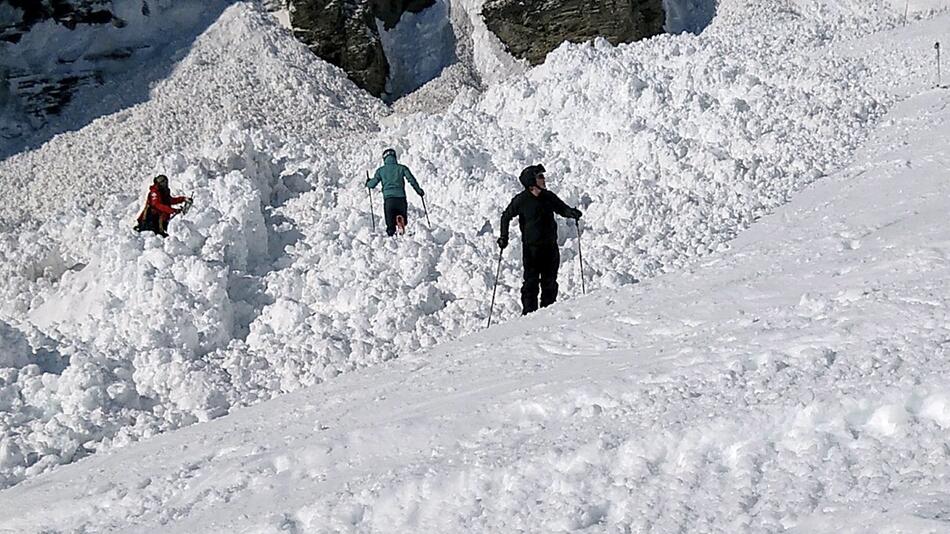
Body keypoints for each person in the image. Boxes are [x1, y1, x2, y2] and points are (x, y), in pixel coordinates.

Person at [497, 164, 582, 315]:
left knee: (550, 282)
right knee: (531, 284)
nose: (544, 179)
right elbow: (506, 217)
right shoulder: (521, 200)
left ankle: (547, 313)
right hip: (531, 250)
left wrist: (572, 213)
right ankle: (529, 315)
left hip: (550, 247)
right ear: (531, 181)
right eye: (540, 176)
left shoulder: (548, 197)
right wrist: (504, 237)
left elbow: (562, 209)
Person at [366, 148, 425, 236]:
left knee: (390, 225)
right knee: (403, 217)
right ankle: (401, 220)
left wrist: (368, 182)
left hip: (389, 200)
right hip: (401, 198)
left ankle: (391, 235)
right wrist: (419, 191)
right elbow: (411, 180)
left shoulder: (381, 171)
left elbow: (372, 184)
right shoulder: (402, 168)